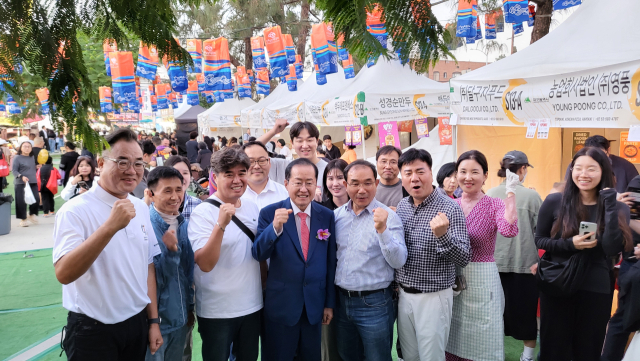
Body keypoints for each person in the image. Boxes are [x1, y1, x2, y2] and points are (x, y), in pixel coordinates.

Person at [53, 128, 163, 360]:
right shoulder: (74, 210)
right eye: (122, 162)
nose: (131, 171)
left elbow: (148, 267)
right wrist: (109, 227)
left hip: (136, 323)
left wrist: (153, 321)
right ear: (101, 163)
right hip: (93, 329)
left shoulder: (141, 207)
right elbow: (64, 273)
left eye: (138, 163)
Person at [536, 146, 631, 361]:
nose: (583, 174)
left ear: (603, 171)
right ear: (571, 171)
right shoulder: (554, 201)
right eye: (577, 168)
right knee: (554, 348)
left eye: (591, 169)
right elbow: (540, 240)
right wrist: (571, 244)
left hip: (595, 287)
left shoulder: (617, 208)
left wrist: (608, 204)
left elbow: (612, 248)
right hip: (557, 282)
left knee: (588, 349)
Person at [252, 158, 337, 361]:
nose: (303, 189)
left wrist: (328, 303)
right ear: (286, 183)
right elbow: (258, 253)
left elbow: (330, 262)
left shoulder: (326, 215)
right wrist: (275, 228)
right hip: (281, 306)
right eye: (298, 182)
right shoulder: (270, 213)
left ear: (316, 184)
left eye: (309, 182)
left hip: (314, 307)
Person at [394, 148, 471, 361]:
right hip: (404, 294)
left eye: (420, 171)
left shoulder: (449, 208)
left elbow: (464, 257)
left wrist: (443, 236)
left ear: (431, 172)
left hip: (434, 296)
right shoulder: (403, 207)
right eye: (408, 173)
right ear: (402, 178)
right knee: (410, 355)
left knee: (432, 356)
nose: (414, 178)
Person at [188, 147, 262, 361]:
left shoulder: (252, 207)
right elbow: (205, 263)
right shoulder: (203, 213)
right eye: (229, 174)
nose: (237, 179)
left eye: (241, 173)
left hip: (252, 304)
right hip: (216, 310)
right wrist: (221, 225)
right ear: (215, 177)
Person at [445, 150, 519, 361]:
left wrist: (511, 193)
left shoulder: (494, 204)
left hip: (483, 276)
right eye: (462, 172)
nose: (468, 177)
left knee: (483, 332)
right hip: (453, 277)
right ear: (455, 174)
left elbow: (509, 230)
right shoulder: (451, 205)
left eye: (475, 172)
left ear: (485, 175)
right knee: (454, 331)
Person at [333, 160, 407, 361]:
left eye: (367, 183)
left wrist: (382, 230)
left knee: (378, 358)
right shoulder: (336, 217)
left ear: (375, 183)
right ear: (346, 185)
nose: (361, 189)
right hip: (341, 302)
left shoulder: (389, 217)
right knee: (347, 356)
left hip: (375, 303)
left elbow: (399, 260)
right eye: (355, 183)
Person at [485, 151, 541, 361]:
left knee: (494, 315)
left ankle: (495, 353)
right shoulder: (532, 196)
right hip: (525, 265)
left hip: (493, 264)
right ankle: (527, 356)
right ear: (522, 169)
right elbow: (542, 230)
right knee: (526, 315)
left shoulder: (489, 194)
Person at [145, 167, 195, 361]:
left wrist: (189, 308)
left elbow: (188, 273)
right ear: (151, 194)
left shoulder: (183, 224)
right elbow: (154, 279)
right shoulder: (145, 226)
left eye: (179, 189)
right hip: (157, 324)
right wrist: (153, 323)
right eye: (167, 191)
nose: (175, 196)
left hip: (180, 319)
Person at [603, 175, 640, 361]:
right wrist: (620, 209)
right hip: (634, 262)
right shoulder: (637, 184)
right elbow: (631, 219)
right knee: (624, 318)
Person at [258, 120, 329, 200]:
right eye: (300, 141)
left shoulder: (328, 169)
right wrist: (273, 131)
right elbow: (249, 151)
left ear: (317, 141)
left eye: (309, 140)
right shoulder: (282, 166)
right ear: (292, 143)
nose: (305, 145)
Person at [564, 135, 639, 193]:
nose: (584, 175)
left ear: (608, 150)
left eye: (601, 154)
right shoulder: (576, 164)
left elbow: (636, 191)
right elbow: (567, 187)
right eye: (592, 154)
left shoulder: (625, 166)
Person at [241, 141, 289, 210]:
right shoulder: (234, 197)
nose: (256, 166)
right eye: (250, 161)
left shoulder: (285, 194)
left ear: (269, 162)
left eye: (262, 160)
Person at [163, 156, 202, 221]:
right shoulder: (152, 204)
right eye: (176, 172)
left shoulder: (198, 205)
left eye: (185, 173)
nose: (181, 177)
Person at [12, 141, 40, 227]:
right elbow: (14, 171)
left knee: (36, 198)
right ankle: (23, 219)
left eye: (29, 146)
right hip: (20, 182)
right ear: (21, 148)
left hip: (32, 181)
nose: (27, 148)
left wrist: (36, 167)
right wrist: (21, 176)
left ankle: (31, 214)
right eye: (25, 146)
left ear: (31, 148)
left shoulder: (32, 157)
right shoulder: (17, 158)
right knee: (21, 201)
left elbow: (31, 167)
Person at [375, 145, 408, 210]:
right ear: (376, 164)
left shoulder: (408, 188)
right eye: (383, 161)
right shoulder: (369, 188)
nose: (388, 166)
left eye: (393, 162)